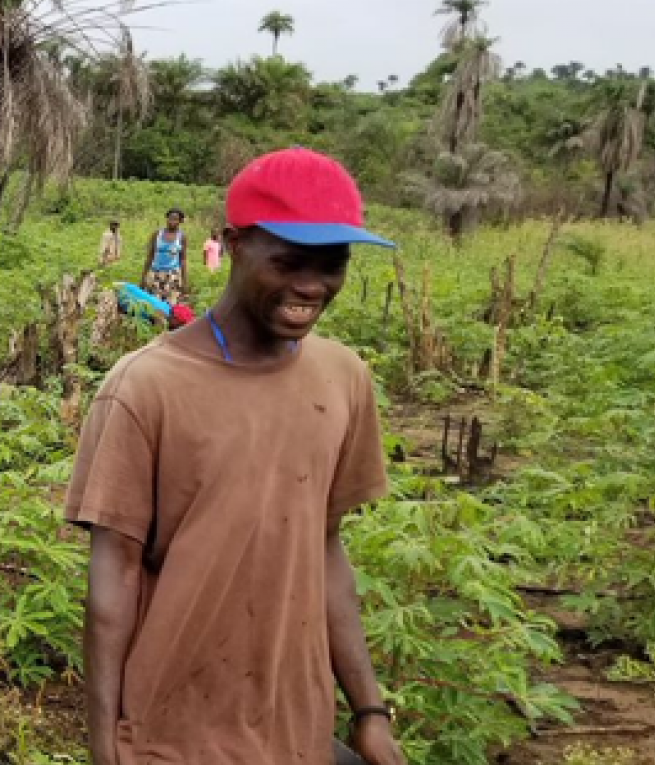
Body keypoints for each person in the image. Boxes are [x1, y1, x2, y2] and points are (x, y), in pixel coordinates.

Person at [70, 147, 405, 765]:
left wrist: (369, 711)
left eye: (332, 264)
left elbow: (325, 550)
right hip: (172, 730)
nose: (311, 285)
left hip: (295, 725)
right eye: (288, 261)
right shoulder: (145, 386)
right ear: (231, 245)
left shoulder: (343, 377)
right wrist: (102, 745)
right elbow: (112, 579)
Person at [141, 209, 189, 305]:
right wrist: (143, 277)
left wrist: (184, 281)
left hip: (172, 275)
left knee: (170, 304)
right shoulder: (156, 234)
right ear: (166, 219)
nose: (172, 221)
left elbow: (183, 259)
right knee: (153, 304)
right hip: (155, 274)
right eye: (170, 218)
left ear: (180, 221)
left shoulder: (182, 237)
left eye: (176, 219)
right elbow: (150, 256)